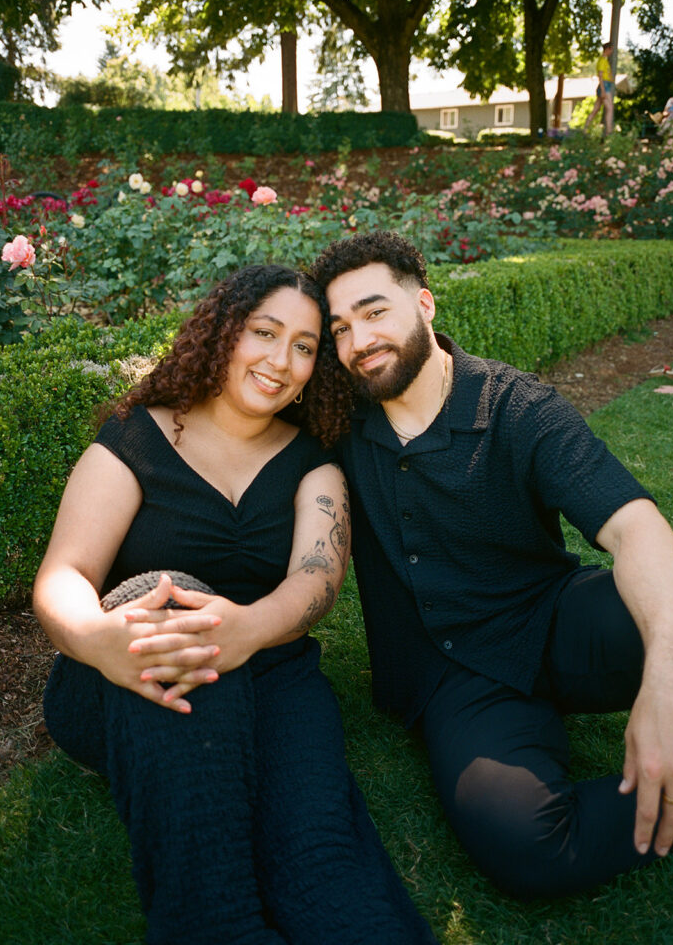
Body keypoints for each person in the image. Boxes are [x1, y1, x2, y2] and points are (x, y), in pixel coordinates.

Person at [33, 264, 438, 945]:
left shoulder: (313, 460)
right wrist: (98, 638)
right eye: (265, 333)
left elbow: (316, 576)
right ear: (223, 332)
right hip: (126, 671)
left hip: (273, 672)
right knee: (165, 598)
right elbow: (64, 574)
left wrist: (248, 629)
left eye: (305, 347)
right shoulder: (139, 438)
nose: (281, 362)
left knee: (321, 866)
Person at [308, 230, 673, 900]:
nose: (358, 340)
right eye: (340, 328)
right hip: (450, 676)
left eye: (374, 312)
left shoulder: (517, 408)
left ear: (424, 305)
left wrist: (664, 683)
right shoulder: (334, 420)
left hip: (553, 619)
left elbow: (635, 529)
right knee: (530, 850)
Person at [584, 42, 614, 137]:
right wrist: (603, 90)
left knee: (596, 110)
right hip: (604, 86)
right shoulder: (602, 60)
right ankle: (609, 132)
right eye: (611, 49)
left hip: (606, 85)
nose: (612, 52)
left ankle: (585, 129)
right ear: (607, 49)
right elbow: (600, 76)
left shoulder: (605, 61)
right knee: (610, 108)